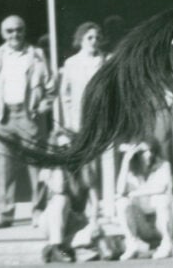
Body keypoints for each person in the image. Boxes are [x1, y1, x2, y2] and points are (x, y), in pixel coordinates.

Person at [0, 14, 50, 229]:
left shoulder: (37, 55)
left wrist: (41, 108)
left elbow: (51, 89)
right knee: (5, 167)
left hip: (29, 115)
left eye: (19, 29)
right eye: (10, 31)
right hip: (4, 117)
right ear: (3, 34)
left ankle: (39, 212)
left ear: (24, 31)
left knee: (36, 166)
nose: (15, 34)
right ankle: (4, 214)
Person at [59, 22, 110, 220]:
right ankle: (90, 207)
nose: (94, 41)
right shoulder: (71, 63)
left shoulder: (105, 61)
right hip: (80, 121)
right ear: (80, 39)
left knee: (106, 161)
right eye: (89, 38)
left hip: (103, 118)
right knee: (87, 165)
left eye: (97, 38)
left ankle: (108, 206)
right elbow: (65, 95)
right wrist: (70, 121)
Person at [38, 129, 107, 264]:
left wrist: (93, 221)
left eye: (70, 145)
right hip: (51, 221)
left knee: (96, 233)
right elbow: (59, 189)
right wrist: (59, 162)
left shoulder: (85, 166)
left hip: (74, 220)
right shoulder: (50, 167)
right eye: (62, 147)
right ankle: (57, 245)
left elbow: (94, 199)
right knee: (61, 199)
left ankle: (54, 249)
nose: (68, 150)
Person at [115, 139, 173, 260]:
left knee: (162, 199)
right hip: (142, 223)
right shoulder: (131, 169)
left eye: (151, 151)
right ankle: (132, 245)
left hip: (161, 223)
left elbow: (162, 189)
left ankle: (167, 244)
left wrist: (135, 193)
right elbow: (120, 191)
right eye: (143, 151)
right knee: (121, 203)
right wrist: (126, 161)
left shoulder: (164, 165)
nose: (149, 154)